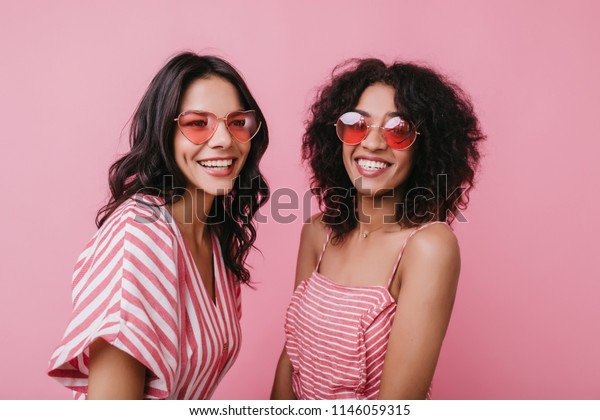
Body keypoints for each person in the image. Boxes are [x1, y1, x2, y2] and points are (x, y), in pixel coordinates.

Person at [48, 52, 269, 399]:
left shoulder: (216, 237)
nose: (225, 139)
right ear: (163, 133)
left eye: (237, 122)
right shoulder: (139, 238)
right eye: (198, 123)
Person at [271, 58, 484, 400]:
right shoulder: (317, 233)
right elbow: (290, 358)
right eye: (357, 125)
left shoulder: (428, 247)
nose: (371, 144)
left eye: (398, 130)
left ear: (425, 147)